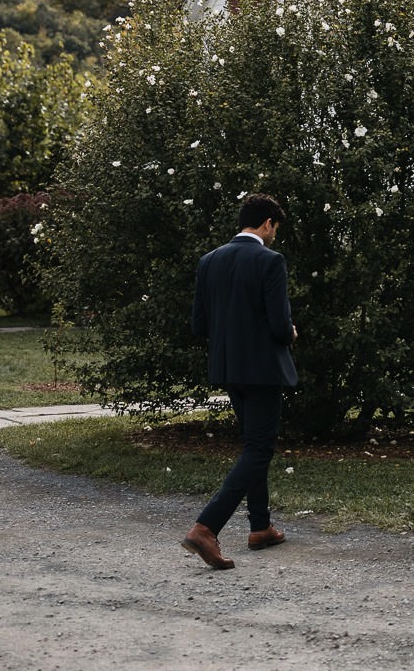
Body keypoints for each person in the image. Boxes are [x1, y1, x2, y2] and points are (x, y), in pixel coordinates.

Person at [180, 193, 297, 571]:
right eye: (274, 228)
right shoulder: (270, 260)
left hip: (228, 368)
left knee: (252, 446)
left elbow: (199, 325)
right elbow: (279, 326)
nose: (274, 235)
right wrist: (290, 332)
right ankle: (206, 527)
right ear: (266, 224)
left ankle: (260, 526)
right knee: (259, 449)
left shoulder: (209, 261)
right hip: (263, 369)